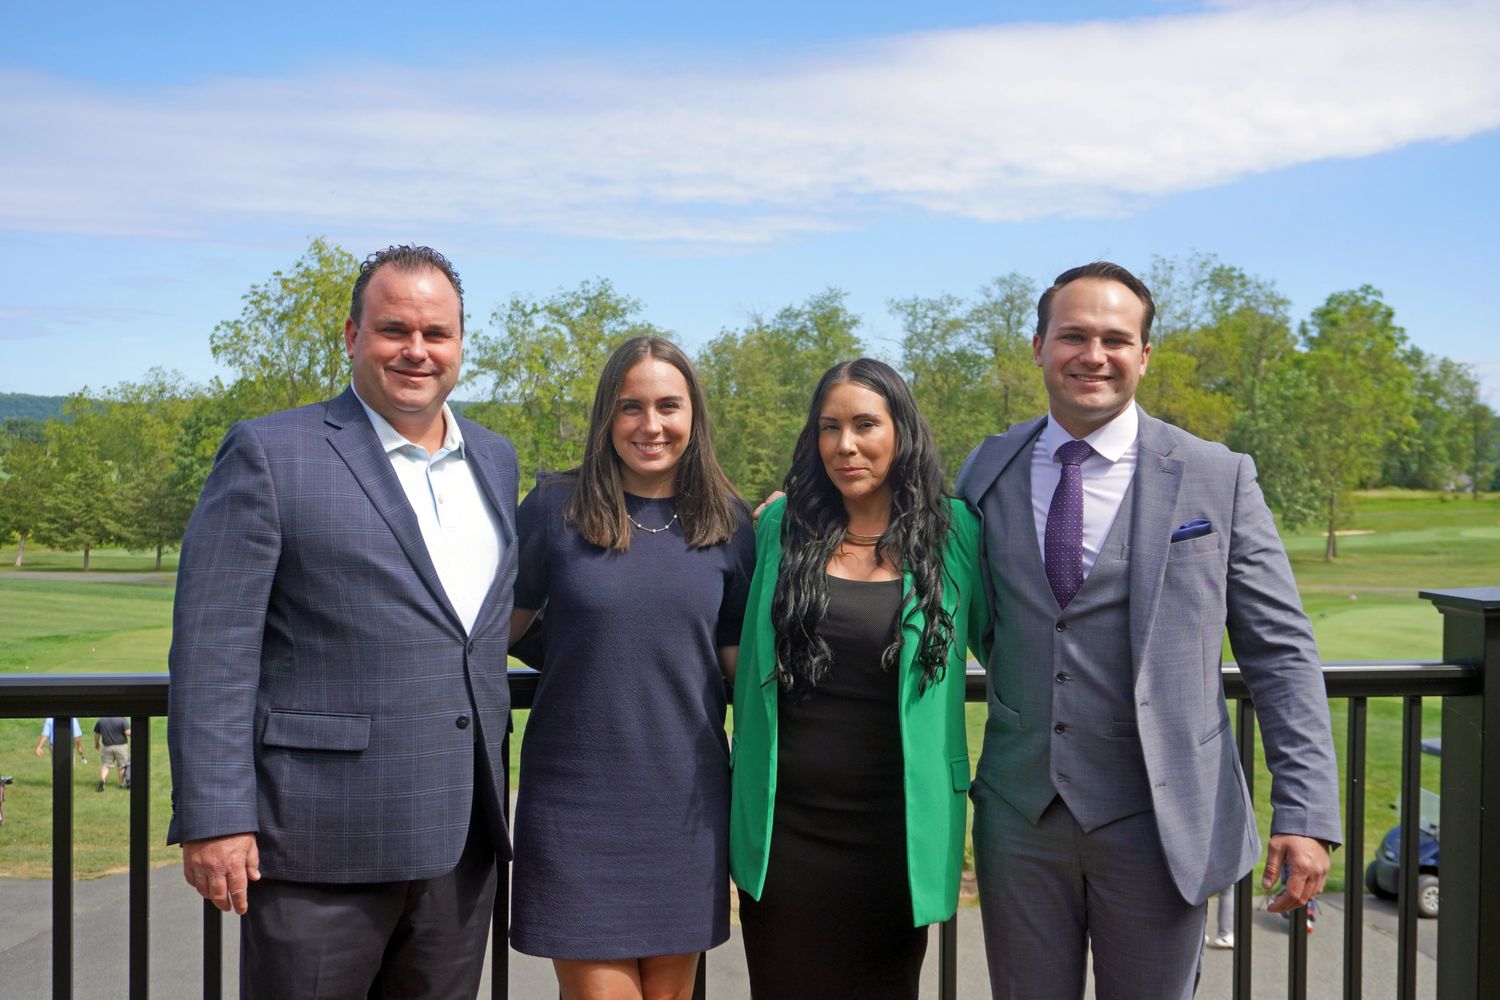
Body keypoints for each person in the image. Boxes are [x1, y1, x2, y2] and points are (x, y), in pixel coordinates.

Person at [956, 261, 1342, 999]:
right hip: (1020, 816)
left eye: (1114, 338)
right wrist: (804, 511)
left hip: (1161, 820)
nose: (1092, 355)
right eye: (1073, 335)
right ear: (1038, 346)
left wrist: (1305, 812)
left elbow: (1282, 653)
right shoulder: (989, 466)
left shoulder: (1216, 476)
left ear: (1144, 354)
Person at [167, 245, 519, 999]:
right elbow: (212, 650)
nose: (417, 351)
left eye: (437, 333)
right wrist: (215, 817)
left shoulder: (495, 459)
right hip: (317, 845)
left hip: (460, 842)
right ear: (352, 336)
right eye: (395, 329)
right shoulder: (271, 452)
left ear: (462, 343)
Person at [731, 359, 989, 999]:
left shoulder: (954, 533)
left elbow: (1017, 643)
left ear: (902, 430)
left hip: (899, 836)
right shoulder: (779, 529)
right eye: (829, 427)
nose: (844, 445)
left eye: (865, 424)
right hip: (786, 836)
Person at [508, 335, 754, 1000]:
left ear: (693, 416)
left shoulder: (727, 522)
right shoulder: (554, 510)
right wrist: (579, 650)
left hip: (685, 804)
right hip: (577, 801)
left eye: (669, 406)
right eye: (631, 407)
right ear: (605, 419)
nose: (652, 425)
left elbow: (737, 662)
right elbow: (503, 627)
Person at [93, 716, 130, 791]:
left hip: (107, 747)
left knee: (105, 766)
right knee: (122, 766)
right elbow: (127, 732)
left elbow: (97, 734)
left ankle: (102, 782)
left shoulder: (101, 720)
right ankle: (121, 784)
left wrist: (96, 743)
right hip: (121, 746)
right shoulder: (122, 719)